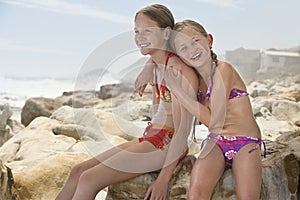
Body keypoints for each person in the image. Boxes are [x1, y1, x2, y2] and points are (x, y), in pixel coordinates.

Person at [56, 5, 198, 200]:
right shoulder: (156, 64)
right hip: (151, 138)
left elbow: (183, 131)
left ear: (166, 33)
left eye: (148, 31)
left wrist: (163, 179)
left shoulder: (179, 71)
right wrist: (149, 65)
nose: (140, 37)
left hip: (167, 145)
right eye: (137, 31)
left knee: (89, 178)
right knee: (77, 171)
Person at [135, 20, 265, 200]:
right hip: (215, 143)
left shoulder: (223, 70)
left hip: (245, 142)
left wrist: (179, 92)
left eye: (195, 41)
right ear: (178, 55)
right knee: (195, 193)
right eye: (183, 48)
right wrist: (149, 64)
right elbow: (161, 50)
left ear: (209, 40)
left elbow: (214, 123)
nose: (192, 50)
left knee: (248, 197)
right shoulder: (193, 78)